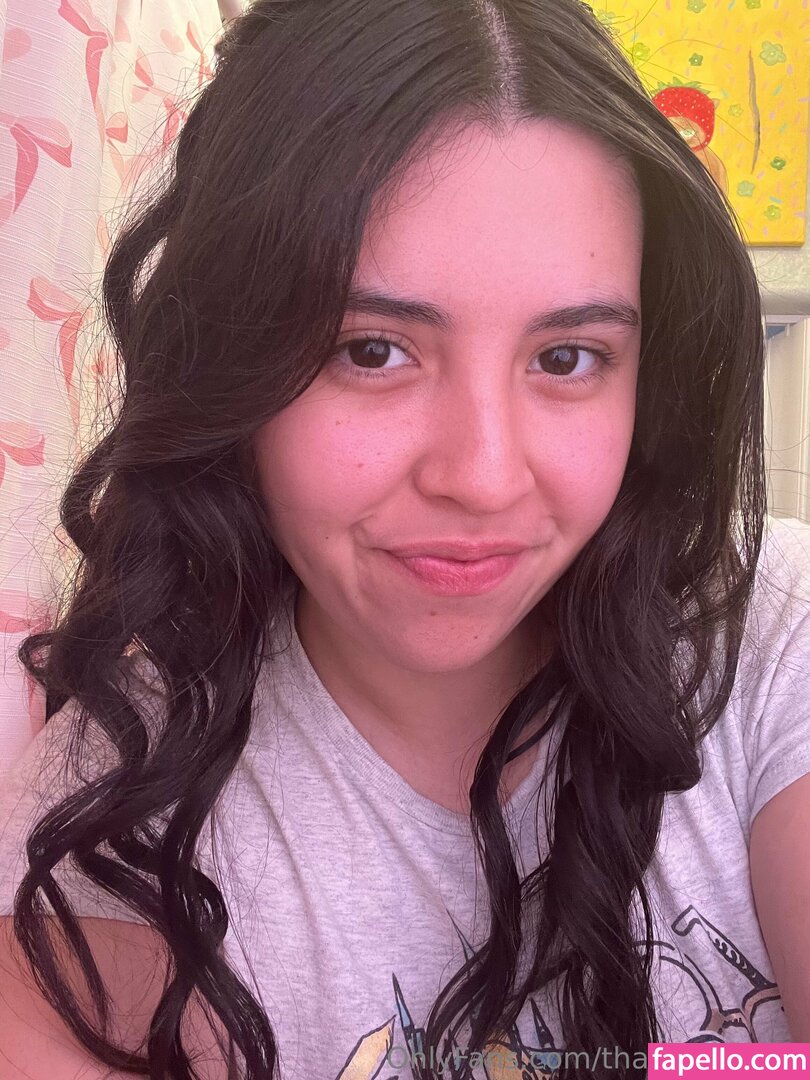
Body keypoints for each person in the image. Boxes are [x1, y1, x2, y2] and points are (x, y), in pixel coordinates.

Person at [0, 0, 808, 1077]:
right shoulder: (119, 807)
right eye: (372, 351)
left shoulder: (773, 644)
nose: (482, 476)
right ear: (230, 366)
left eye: (566, 359)